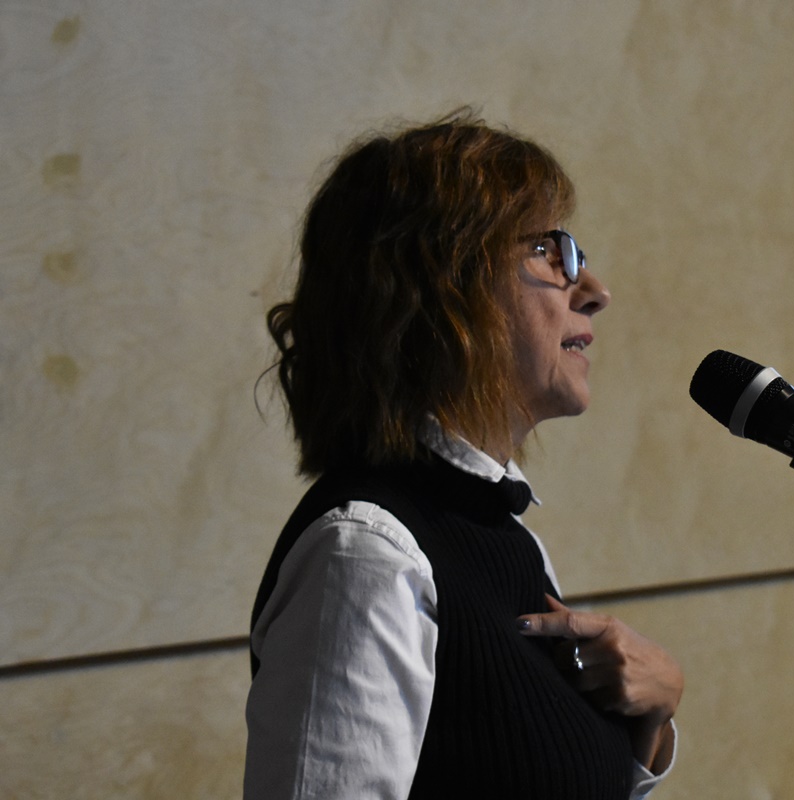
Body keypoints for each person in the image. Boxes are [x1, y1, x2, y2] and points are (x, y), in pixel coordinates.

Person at [244, 111, 683, 799]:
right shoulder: (365, 553)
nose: (594, 290)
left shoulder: (504, 538)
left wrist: (648, 723)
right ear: (441, 291)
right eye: (546, 249)